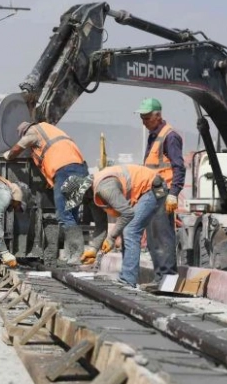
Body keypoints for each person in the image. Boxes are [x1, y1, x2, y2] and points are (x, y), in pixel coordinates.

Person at [61, 164, 167, 287]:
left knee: (130, 230)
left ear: (83, 192)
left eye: (79, 199)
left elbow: (127, 213)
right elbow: (101, 227)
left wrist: (111, 238)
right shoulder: (92, 197)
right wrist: (94, 249)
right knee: (126, 229)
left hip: (156, 187)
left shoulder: (104, 188)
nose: (81, 203)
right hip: (145, 191)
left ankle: (128, 280)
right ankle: (129, 277)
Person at [3, 121, 88, 264]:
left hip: (64, 170)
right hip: (80, 169)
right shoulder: (52, 131)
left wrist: (9, 155)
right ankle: (70, 255)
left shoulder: (33, 132)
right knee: (72, 215)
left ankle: (76, 254)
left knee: (64, 215)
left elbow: (19, 147)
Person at [138, 98, 184, 283]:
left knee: (163, 237)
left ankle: (168, 280)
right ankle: (159, 278)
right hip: (152, 193)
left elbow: (179, 167)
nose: (144, 121)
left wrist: (174, 193)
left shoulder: (170, 136)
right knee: (153, 238)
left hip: (164, 193)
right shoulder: (153, 136)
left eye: (147, 117)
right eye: (142, 118)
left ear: (158, 116)